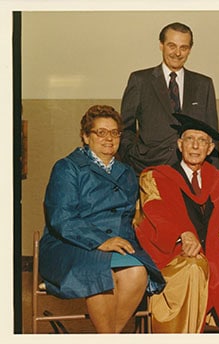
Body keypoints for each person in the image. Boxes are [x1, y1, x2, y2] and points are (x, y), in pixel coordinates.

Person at [134, 113, 219, 333]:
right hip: (178, 256)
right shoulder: (157, 178)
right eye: (190, 139)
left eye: (202, 141)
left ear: (210, 149)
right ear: (180, 145)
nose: (195, 146)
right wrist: (182, 234)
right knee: (194, 268)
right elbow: (153, 214)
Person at [39, 105, 165, 333]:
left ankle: (108, 335)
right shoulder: (68, 168)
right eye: (101, 132)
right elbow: (61, 218)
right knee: (99, 271)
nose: (109, 138)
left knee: (137, 271)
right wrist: (101, 241)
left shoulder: (126, 172)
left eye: (115, 132)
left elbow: (127, 219)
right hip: (69, 243)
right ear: (86, 136)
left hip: (116, 243)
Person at [119, 22, 219, 175]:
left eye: (183, 47)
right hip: (148, 170)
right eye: (172, 46)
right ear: (161, 45)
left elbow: (212, 136)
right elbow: (125, 129)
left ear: (190, 49)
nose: (177, 53)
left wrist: (213, 176)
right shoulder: (140, 80)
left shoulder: (203, 84)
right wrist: (133, 157)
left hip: (191, 173)